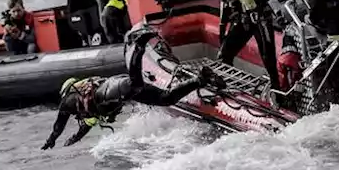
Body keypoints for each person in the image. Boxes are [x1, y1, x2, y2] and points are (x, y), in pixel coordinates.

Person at [41, 30, 222, 149]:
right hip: (117, 90)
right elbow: (86, 126)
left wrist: (52, 139)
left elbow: (59, 123)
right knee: (166, 99)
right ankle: (200, 79)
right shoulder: (86, 110)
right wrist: (74, 139)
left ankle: (139, 46)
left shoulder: (69, 100)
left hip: (111, 90)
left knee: (135, 84)